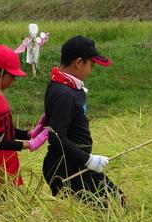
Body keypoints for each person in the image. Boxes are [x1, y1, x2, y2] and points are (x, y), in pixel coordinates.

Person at [41, 36, 122, 205]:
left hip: (73, 163)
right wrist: (88, 160)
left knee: (114, 204)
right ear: (78, 62)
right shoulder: (64, 93)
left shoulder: (60, 84)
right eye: (90, 65)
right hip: (68, 168)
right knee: (115, 204)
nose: (90, 71)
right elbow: (56, 137)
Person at [0, 45, 49, 189]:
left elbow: (5, 129)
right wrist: (30, 145)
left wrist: (30, 134)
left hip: (9, 162)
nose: (14, 80)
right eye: (12, 76)